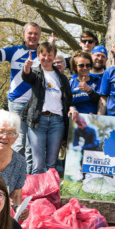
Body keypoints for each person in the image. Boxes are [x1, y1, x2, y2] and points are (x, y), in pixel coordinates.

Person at [0, 22, 40, 171]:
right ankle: (13, 174)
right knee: (18, 141)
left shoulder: (43, 54)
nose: (33, 36)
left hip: (36, 104)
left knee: (32, 144)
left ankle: (28, 179)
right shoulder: (14, 51)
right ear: (24, 34)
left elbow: (65, 63)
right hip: (17, 103)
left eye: (36, 33)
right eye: (30, 33)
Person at [22, 41, 73, 174]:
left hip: (57, 122)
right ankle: (36, 194)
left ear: (54, 56)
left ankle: (49, 194)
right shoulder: (36, 73)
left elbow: (68, 99)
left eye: (49, 55)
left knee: (51, 165)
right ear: (38, 56)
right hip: (38, 121)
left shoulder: (62, 78)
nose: (46, 58)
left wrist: (72, 108)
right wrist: (26, 68)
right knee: (38, 164)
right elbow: (27, 77)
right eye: (43, 54)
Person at [69, 52, 101, 116]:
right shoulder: (71, 83)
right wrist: (71, 108)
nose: (85, 68)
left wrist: (89, 90)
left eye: (88, 65)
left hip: (94, 120)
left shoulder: (97, 80)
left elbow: (102, 100)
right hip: (77, 121)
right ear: (75, 67)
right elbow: (67, 103)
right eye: (81, 65)